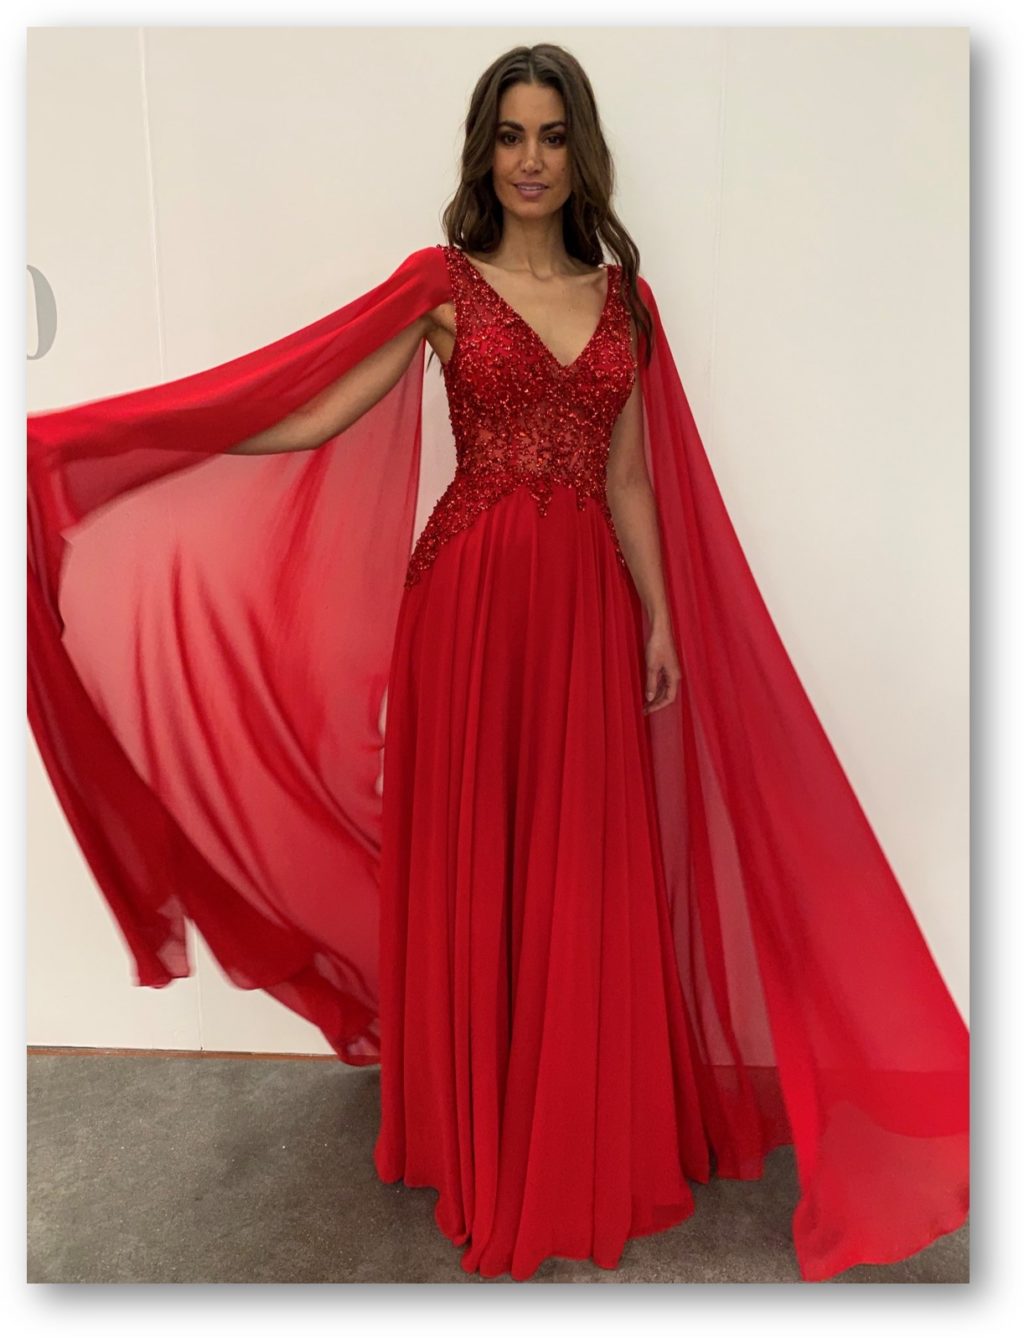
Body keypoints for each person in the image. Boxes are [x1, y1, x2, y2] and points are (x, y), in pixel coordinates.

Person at [28, 43, 968, 1283]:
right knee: (485, 852)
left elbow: (627, 475)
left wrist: (657, 616)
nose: (531, 160)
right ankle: (483, 1123)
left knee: (577, 858)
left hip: (583, 610)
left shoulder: (625, 301)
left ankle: (568, 1114)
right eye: (511, 136)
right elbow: (318, 413)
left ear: (582, 153)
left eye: (552, 136)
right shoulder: (442, 284)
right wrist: (143, 443)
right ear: (484, 152)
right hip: (468, 608)